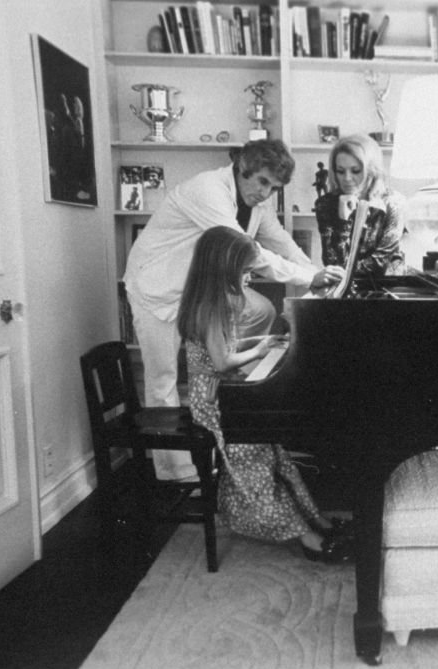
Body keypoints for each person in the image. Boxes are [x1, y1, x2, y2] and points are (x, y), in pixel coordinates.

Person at [124, 139, 344, 479]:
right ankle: (176, 475)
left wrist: (320, 274)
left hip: (197, 292)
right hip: (157, 290)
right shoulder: (208, 190)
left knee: (261, 311)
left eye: (274, 187)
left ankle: (238, 394)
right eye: (262, 182)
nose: (266, 193)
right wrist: (308, 278)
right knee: (162, 381)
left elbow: (280, 241)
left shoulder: (259, 204)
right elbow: (250, 253)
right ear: (243, 168)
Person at [177, 227, 352, 562]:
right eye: (244, 272)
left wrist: (259, 346)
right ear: (223, 269)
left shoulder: (208, 301)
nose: (249, 278)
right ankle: (306, 536)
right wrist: (259, 351)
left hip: (219, 389)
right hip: (211, 400)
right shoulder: (210, 308)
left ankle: (315, 519)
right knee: (253, 455)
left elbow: (222, 351)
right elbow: (221, 360)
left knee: (273, 450)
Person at [314, 134, 406, 278]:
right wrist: (343, 221)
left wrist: (345, 271)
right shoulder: (325, 204)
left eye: (356, 171)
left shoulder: (393, 202)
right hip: (344, 289)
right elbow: (331, 263)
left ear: (371, 170)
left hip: (388, 287)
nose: (347, 178)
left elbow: (380, 263)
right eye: (340, 171)